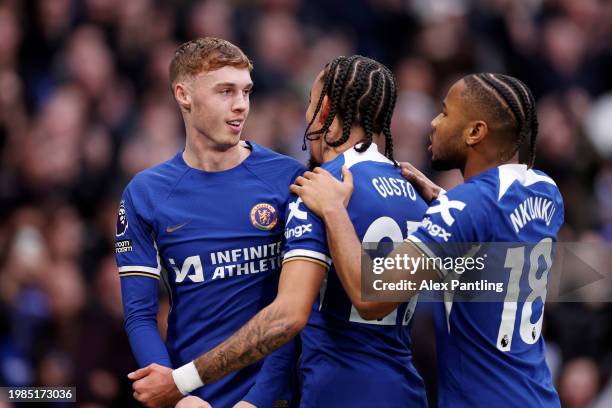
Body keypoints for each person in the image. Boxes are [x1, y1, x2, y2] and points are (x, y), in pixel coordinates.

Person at [130, 55, 430, 408]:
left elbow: (287, 316)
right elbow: (477, 282)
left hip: (339, 392)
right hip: (407, 391)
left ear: (325, 108)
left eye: (309, 102)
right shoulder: (417, 193)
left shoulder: (318, 191)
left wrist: (183, 380)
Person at [294, 73, 564, 407]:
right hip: (536, 395)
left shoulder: (463, 207)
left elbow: (373, 295)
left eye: (445, 113)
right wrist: (444, 204)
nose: (434, 123)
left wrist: (333, 209)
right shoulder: (545, 190)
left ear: (475, 132)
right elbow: (492, 250)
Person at [115, 37, 304, 407]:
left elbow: (297, 310)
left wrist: (258, 401)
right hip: (190, 395)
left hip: (272, 396)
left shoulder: (288, 180)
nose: (240, 106)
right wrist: (177, 395)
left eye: (246, 92)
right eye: (225, 91)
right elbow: (139, 314)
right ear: (184, 95)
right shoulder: (145, 194)